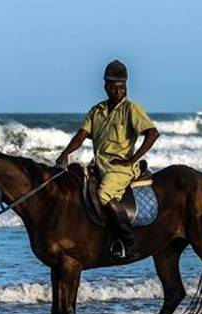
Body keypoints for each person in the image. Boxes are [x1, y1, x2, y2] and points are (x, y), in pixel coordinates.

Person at [56, 60, 160, 259]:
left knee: (103, 194)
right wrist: (64, 155)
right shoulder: (97, 111)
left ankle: (128, 242)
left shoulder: (132, 109)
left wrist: (132, 160)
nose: (119, 91)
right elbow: (81, 136)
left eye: (123, 87)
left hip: (120, 168)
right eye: (114, 87)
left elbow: (152, 134)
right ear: (106, 87)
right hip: (99, 164)